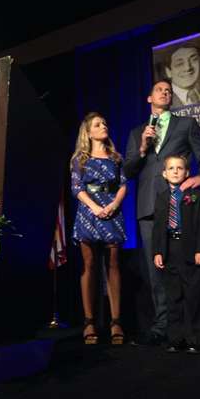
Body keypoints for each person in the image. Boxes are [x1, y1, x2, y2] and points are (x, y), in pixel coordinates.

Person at [124, 79, 200, 346]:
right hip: (149, 207)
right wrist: (142, 148)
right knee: (156, 269)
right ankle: (163, 326)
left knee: (184, 267)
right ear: (149, 98)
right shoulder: (137, 131)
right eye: (159, 90)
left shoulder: (186, 124)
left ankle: (189, 328)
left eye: (168, 91)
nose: (165, 93)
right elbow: (129, 171)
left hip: (180, 205)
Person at [71, 112, 127, 345]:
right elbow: (76, 188)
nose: (104, 126)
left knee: (113, 265)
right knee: (89, 264)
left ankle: (116, 322)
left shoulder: (115, 157)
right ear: (88, 132)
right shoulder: (79, 159)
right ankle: (89, 321)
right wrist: (94, 207)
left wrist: (114, 204)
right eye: (98, 124)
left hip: (112, 212)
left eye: (105, 123)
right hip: (89, 212)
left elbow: (123, 185)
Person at [153, 155, 200, 354]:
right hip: (169, 250)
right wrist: (158, 251)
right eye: (171, 168)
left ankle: (195, 339)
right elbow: (158, 227)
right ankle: (175, 339)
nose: (175, 171)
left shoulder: (197, 196)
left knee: (192, 296)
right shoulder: (161, 197)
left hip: (190, 250)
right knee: (173, 297)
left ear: (187, 173)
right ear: (164, 173)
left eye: (180, 168)